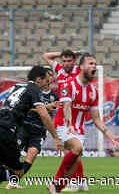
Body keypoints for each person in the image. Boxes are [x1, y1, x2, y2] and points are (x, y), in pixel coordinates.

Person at [0, 65, 63, 194]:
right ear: (39, 80)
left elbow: (14, 106)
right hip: (9, 131)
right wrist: (56, 138)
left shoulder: (16, 87)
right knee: (18, 172)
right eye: (46, 80)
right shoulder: (34, 90)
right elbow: (44, 115)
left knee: (5, 166)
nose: (48, 83)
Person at [47, 53, 119, 194]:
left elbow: (96, 119)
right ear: (81, 67)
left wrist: (110, 136)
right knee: (77, 148)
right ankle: (55, 183)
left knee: (74, 161)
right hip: (64, 125)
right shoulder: (68, 85)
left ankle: (58, 187)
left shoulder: (93, 92)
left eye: (95, 64)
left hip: (79, 130)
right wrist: (70, 124)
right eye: (90, 64)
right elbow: (66, 106)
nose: (94, 66)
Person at [4, 67, 59, 189]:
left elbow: (50, 114)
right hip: (24, 126)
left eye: (51, 75)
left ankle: (13, 183)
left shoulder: (54, 96)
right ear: (41, 78)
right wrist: (45, 107)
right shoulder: (32, 91)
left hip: (39, 131)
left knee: (31, 156)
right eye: (47, 75)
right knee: (12, 156)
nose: (49, 77)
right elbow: (25, 108)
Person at [43, 49, 87, 192]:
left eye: (69, 60)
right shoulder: (59, 70)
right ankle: (75, 182)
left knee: (75, 151)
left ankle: (75, 182)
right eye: (64, 61)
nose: (66, 63)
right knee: (75, 150)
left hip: (77, 118)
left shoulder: (78, 71)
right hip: (62, 119)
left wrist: (77, 54)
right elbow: (46, 55)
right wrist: (68, 52)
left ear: (74, 61)